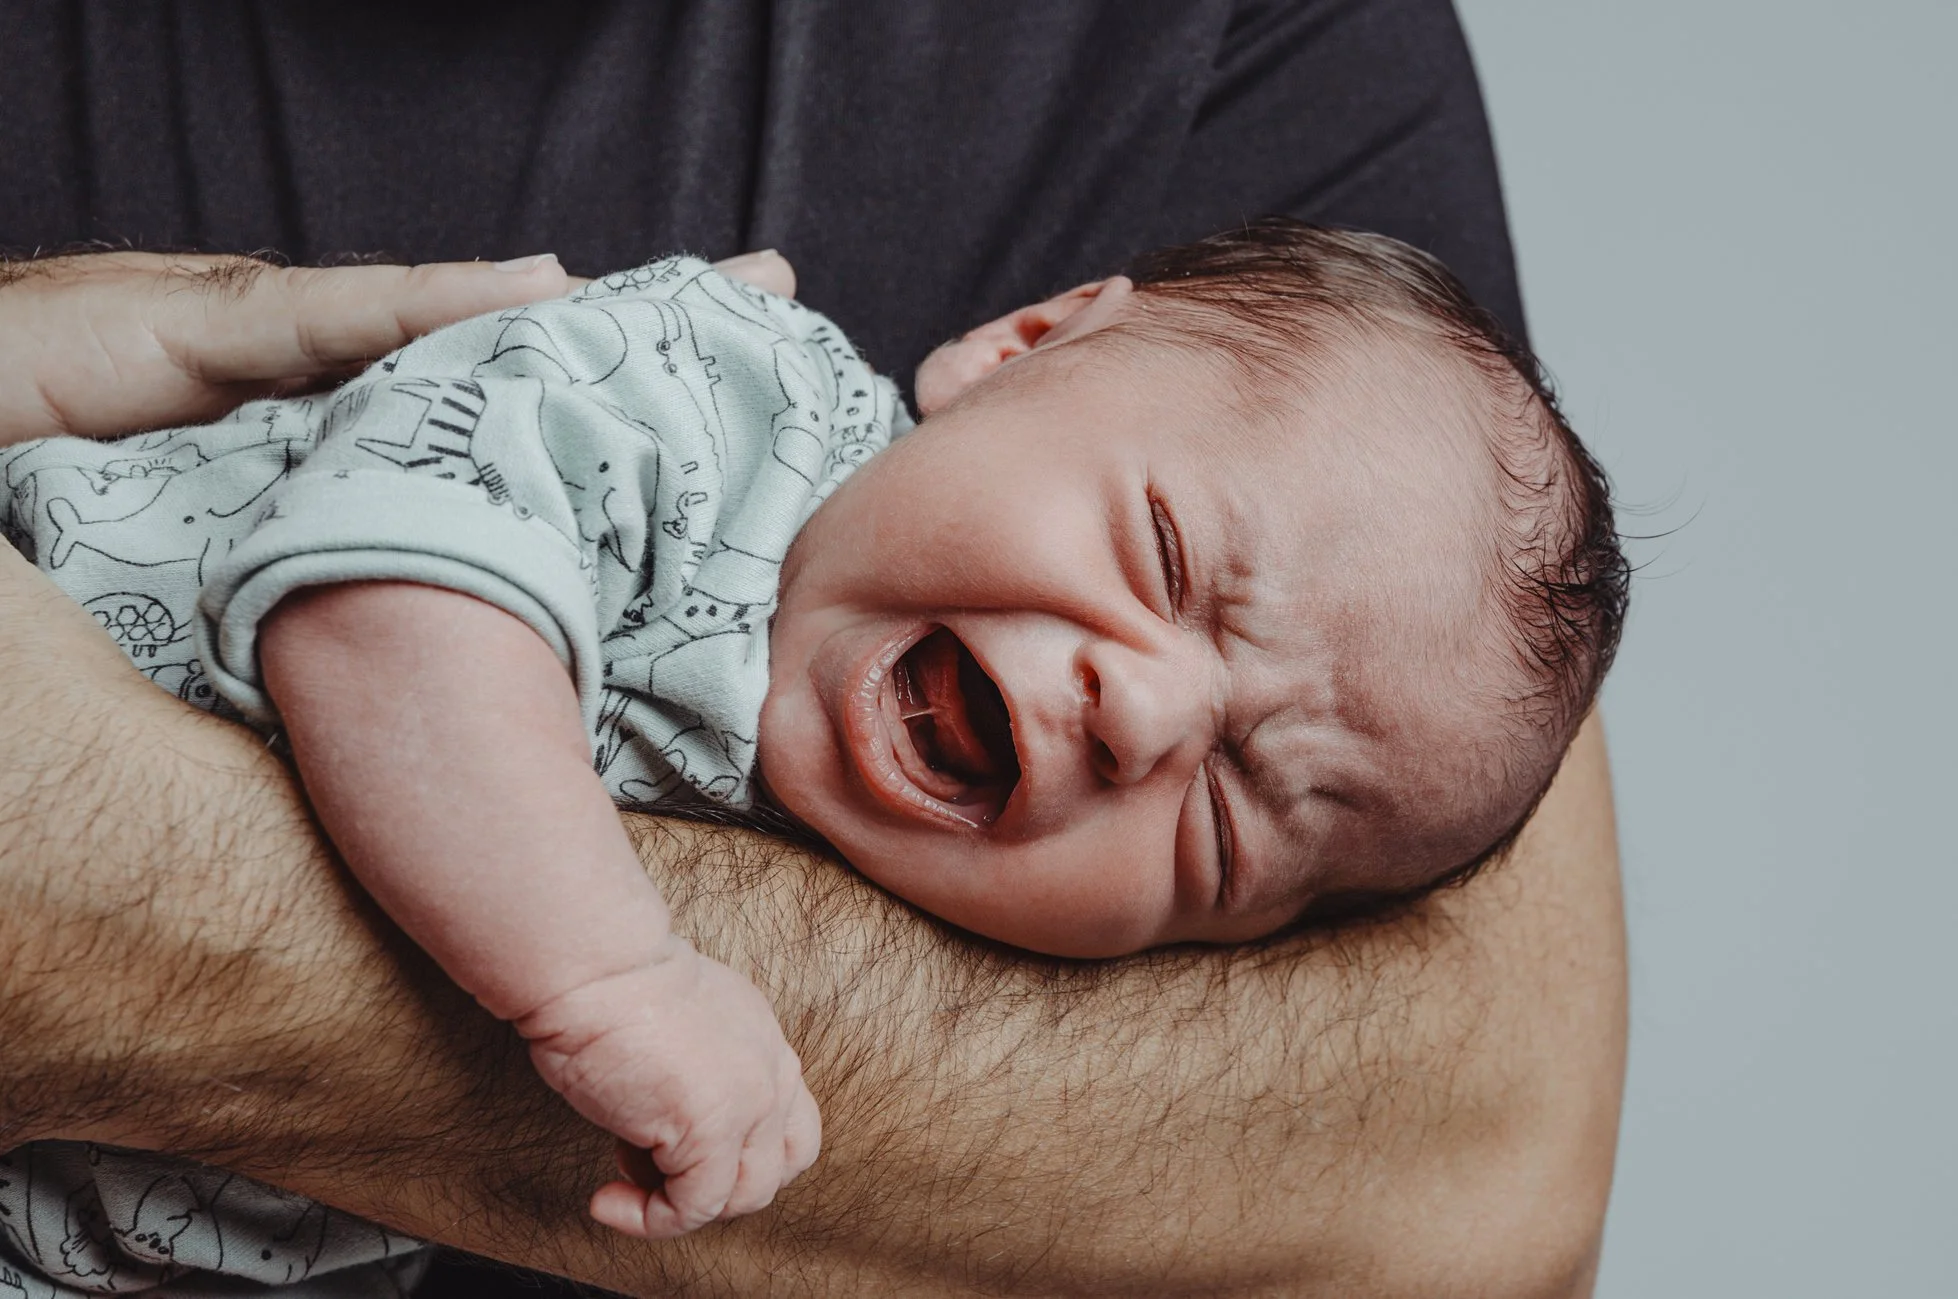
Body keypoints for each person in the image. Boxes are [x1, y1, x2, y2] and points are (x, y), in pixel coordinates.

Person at [0, 3, 1628, 1295]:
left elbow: (1485, 1190)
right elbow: (384, 610)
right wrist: (611, 977)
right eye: (1167, 557)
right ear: (1018, 348)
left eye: (1222, 820)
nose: (1142, 713)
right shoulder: (716, 402)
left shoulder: (1266, 42)